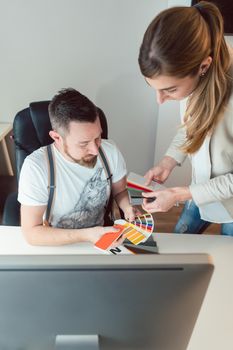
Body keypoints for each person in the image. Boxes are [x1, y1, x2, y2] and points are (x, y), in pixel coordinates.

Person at [138, 1, 233, 235]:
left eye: (169, 90)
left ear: (203, 66)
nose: (160, 100)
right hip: (198, 191)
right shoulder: (195, 78)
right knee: (181, 236)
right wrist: (168, 161)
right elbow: (192, 126)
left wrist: (180, 194)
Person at [18, 88, 137, 245]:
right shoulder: (36, 167)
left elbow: (120, 191)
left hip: (101, 238)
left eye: (98, 137)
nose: (95, 150)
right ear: (57, 137)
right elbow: (31, 233)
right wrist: (87, 235)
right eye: (84, 143)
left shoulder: (110, 151)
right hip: (56, 243)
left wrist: (127, 206)